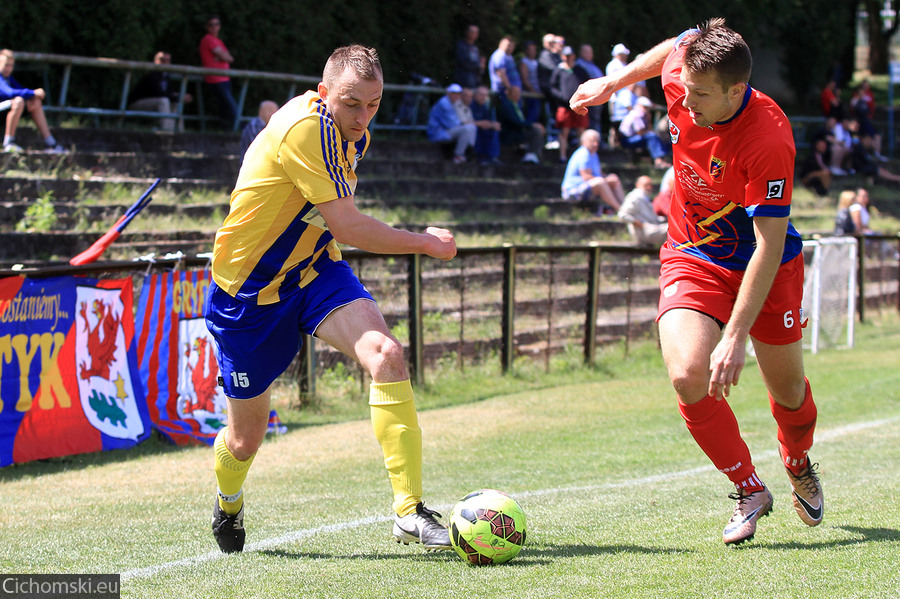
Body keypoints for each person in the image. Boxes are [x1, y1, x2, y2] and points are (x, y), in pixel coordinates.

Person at [571, 18, 824, 546]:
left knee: (789, 393)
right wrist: (613, 82)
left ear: (736, 91)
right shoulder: (686, 81)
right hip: (694, 253)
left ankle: (797, 458)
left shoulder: (769, 137)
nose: (685, 104)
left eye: (701, 94)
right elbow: (680, 41)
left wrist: (735, 336)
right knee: (688, 374)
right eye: (684, 88)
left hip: (764, 263)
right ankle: (749, 488)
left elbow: (768, 245)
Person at [206, 45, 457, 554]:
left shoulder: (351, 134)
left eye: (374, 104)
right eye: (351, 104)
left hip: (316, 270)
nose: (363, 118)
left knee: (387, 354)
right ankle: (228, 502)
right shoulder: (307, 128)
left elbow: (330, 224)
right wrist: (426, 242)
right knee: (245, 441)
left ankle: (409, 511)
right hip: (248, 294)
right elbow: (350, 225)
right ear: (324, 94)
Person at [0, 49, 64, 153]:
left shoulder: (8, 78)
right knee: (19, 101)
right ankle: (8, 143)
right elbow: (10, 93)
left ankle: (52, 144)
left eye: (11, 65)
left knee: (35, 102)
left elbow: (20, 90)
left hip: (6, 110)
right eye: (6, 65)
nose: (9, 68)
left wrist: (33, 96)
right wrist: (34, 92)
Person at [560, 128, 623, 214]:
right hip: (572, 191)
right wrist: (605, 180)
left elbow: (599, 174)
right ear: (584, 141)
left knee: (613, 178)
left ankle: (625, 207)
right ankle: (620, 210)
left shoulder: (593, 154)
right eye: (592, 141)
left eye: (597, 141)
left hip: (587, 187)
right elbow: (586, 177)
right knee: (601, 182)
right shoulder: (583, 153)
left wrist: (608, 179)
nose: (595, 144)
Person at [128, 51, 194, 133]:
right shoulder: (151, 74)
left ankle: (180, 131)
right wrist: (178, 96)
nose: (166, 63)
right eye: (163, 60)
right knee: (164, 101)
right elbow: (158, 93)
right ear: (156, 61)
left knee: (175, 102)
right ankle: (167, 131)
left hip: (156, 101)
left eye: (168, 60)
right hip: (137, 103)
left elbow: (169, 92)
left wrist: (180, 96)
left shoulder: (166, 75)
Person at [199, 14, 239, 130]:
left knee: (225, 107)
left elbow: (229, 58)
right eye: (211, 24)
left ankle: (227, 130)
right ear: (207, 27)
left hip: (224, 78)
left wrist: (222, 56)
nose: (214, 27)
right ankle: (236, 129)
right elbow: (226, 57)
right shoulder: (208, 39)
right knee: (230, 106)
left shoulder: (218, 41)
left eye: (216, 24)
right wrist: (222, 56)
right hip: (215, 79)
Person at [550, 46, 588, 162]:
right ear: (562, 56)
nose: (568, 58)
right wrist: (562, 97)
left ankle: (582, 158)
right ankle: (562, 156)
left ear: (573, 56)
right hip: (564, 106)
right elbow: (552, 87)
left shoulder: (580, 70)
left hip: (579, 105)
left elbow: (587, 84)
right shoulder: (559, 70)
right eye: (566, 56)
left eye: (569, 56)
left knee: (581, 132)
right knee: (564, 132)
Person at [426, 83, 476, 163]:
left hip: (445, 131)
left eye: (458, 94)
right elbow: (453, 124)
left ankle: (469, 152)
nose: (456, 96)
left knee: (471, 127)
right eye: (454, 93)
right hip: (437, 134)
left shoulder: (452, 103)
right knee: (467, 128)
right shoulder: (444, 104)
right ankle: (458, 155)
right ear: (448, 93)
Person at [618, 96, 671, 169]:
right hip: (627, 140)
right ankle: (658, 161)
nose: (646, 109)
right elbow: (640, 132)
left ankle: (662, 159)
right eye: (645, 107)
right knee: (652, 136)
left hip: (632, 138)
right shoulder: (637, 114)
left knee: (654, 137)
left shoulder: (640, 114)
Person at [496, 84, 545, 163]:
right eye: (515, 93)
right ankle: (530, 155)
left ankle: (534, 155)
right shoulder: (506, 104)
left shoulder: (516, 105)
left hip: (518, 131)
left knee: (538, 129)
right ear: (510, 93)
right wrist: (532, 125)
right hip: (510, 134)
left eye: (519, 93)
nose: (518, 95)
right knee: (536, 130)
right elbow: (514, 121)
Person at [618, 175, 668, 246]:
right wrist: (637, 223)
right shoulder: (636, 196)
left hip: (651, 229)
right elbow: (622, 215)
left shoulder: (644, 196)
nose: (649, 187)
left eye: (650, 185)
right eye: (646, 185)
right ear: (637, 184)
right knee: (673, 228)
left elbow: (651, 218)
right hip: (644, 232)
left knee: (673, 228)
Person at [468, 86, 501, 164]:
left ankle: (493, 157)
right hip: (473, 128)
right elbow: (465, 122)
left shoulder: (485, 106)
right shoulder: (470, 105)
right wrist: (481, 123)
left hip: (484, 128)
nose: (484, 97)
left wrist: (493, 124)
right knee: (476, 131)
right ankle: (480, 157)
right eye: (481, 95)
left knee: (494, 130)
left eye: (486, 95)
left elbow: (489, 120)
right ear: (475, 95)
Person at [576, 44, 604, 133]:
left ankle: (596, 138)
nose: (589, 54)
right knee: (589, 122)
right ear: (581, 53)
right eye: (587, 52)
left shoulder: (592, 65)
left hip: (598, 97)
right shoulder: (579, 65)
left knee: (596, 120)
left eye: (590, 52)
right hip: (588, 98)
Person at [518, 40, 543, 125]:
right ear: (526, 50)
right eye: (530, 49)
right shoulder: (524, 62)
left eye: (534, 49)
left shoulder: (536, 62)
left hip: (537, 93)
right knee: (531, 116)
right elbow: (524, 79)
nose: (533, 51)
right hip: (530, 94)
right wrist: (533, 91)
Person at [454, 25, 484, 90]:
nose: (474, 34)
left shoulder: (475, 47)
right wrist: (478, 65)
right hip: (464, 80)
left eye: (476, 32)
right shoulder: (461, 45)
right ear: (467, 32)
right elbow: (464, 62)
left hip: (475, 80)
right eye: (472, 32)